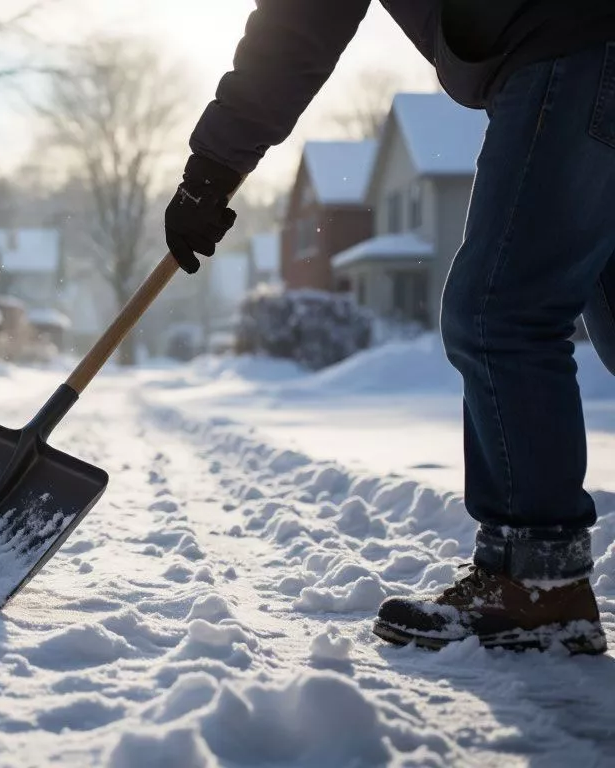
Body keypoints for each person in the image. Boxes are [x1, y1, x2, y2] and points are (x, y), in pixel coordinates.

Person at [164, 0, 615, 655]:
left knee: (498, 311)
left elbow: (300, 22)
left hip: (572, 47)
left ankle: (535, 582)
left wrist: (212, 165)